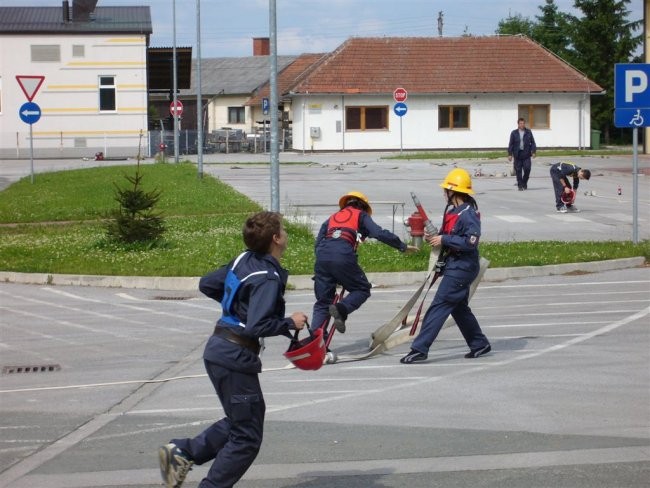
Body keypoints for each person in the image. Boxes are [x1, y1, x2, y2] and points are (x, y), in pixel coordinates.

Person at [158, 211, 308, 488]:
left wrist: (238, 308)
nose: (286, 235)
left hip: (220, 349)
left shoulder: (244, 259)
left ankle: (184, 452)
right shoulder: (268, 277)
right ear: (276, 239)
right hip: (235, 355)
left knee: (244, 419)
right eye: (283, 230)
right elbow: (258, 325)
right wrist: (290, 322)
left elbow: (208, 283)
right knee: (247, 437)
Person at [401, 168, 491, 364]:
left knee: (439, 305)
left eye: (446, 190)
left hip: (463, 266)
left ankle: (420, 348)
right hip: (454, 264)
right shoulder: (454, 212)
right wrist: (435, 238)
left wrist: (444, 238)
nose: (444, 194)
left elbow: (470, 242)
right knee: (458, 308)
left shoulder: (468, 214)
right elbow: (448, 236)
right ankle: (479, 343)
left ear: (454, 192)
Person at [312, 191, 418, 335]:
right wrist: (402, 246)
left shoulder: (331, 218)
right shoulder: (360, 215)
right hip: (342, 256)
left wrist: (325, 268)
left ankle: (315, 343)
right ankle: (341, 309)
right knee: (361, 289)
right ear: (363, 206)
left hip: (322, 258)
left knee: (322, 304)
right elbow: (378, 233)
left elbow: (318, 244)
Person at [507, 117, 537, 191]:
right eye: (520, 123)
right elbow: (511, 144)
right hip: (517, 154)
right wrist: (510, 154)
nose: (522, 125)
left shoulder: (528, 132)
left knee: (527, 169)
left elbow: (533, 142)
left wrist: (533, 151)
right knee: (518, 170)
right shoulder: (514, 133)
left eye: (523, 123)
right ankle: (520, 185)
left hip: (526, 154)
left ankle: (524, 182)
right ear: (518, 124)